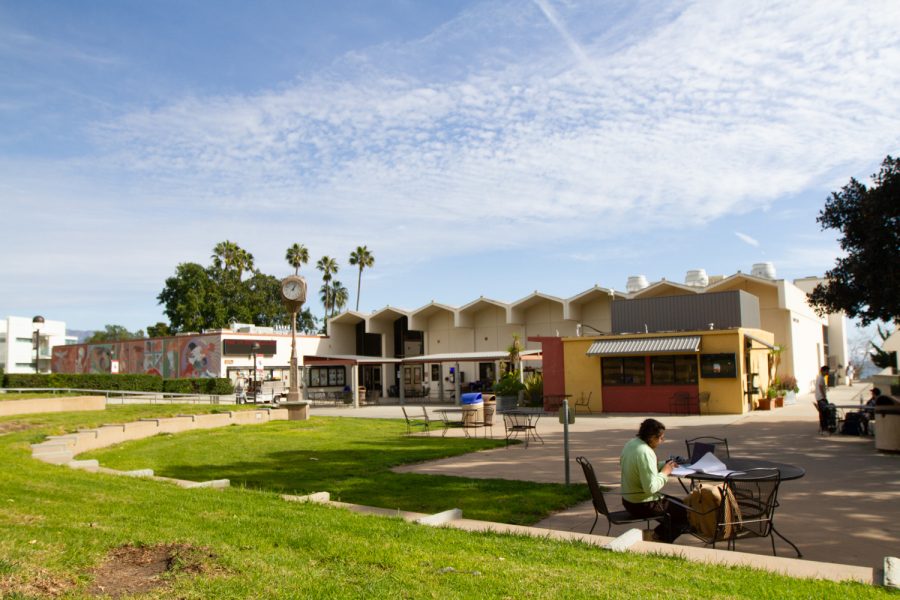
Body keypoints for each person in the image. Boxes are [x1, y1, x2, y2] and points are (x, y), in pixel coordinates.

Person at [620, 418, 688, 543]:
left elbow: (642, 468)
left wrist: (664, 464)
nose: (662, 441)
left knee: (679, 506)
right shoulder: (646, 452)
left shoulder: (632, 444)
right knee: (686, 512)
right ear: (652, 437)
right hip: (641, 504)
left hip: (629, 500)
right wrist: (665, 472)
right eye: (661, 438)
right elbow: (650, 488)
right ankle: (657, 538)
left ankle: (657, 535)